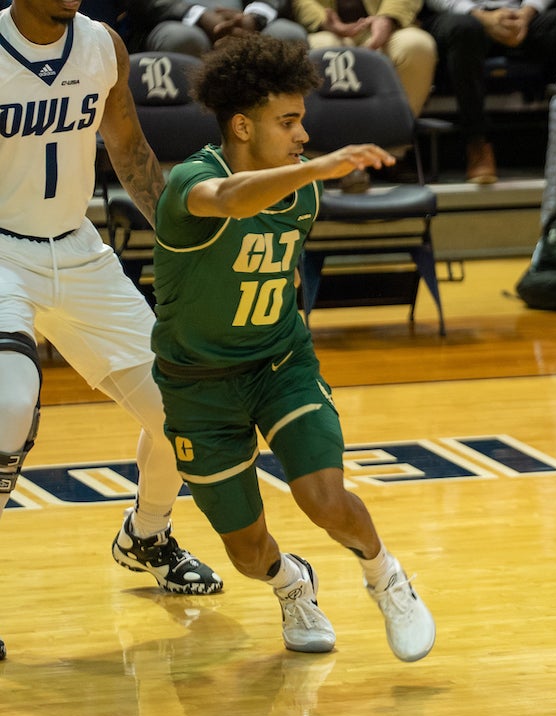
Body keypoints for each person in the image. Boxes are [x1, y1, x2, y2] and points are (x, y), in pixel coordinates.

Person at [149, 33, 435, 658]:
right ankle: (290, 585)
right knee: (247, 551)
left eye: (303, 121)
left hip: (280, 364)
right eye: (289, 122)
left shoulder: (303, 189)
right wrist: (317, 167)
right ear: (243, 126)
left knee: (324, 499)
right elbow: (230, 199)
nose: (304, 135)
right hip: (198, 383)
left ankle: (386, 577)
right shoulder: (192, 184)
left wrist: (309, 172)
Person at [0, 0, 224, 662]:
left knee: (179, 410)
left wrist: (186, 247)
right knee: (8, 406)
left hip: (76, 248)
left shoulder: (104, 46)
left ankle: (148, 534)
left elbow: (127, 147)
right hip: (1, 252)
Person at [422, 0, 556, 183]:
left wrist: (527, 12)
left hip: (520, 16)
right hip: (462, 16)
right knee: (464, 29)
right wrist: (480, 15)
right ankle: (477, 143)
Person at [292, 0, 437, 119]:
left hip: (389, 25)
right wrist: (322, 19)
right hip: (326, 30)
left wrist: (388, 18)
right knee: (323, 50)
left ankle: (394, 141)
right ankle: (328, 146)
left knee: (416, 46)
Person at [123, 0, 308, 57]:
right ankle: (189, 131)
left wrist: (254, 17)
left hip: (246, 18)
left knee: (289, 35)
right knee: (183, 39)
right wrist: (198, 16)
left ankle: (285, 130)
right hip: (174, 18)